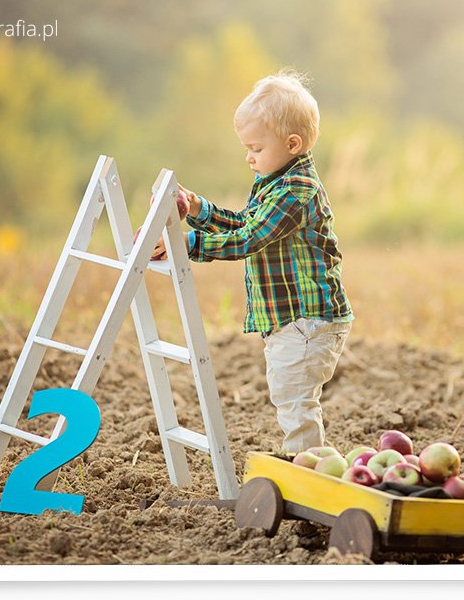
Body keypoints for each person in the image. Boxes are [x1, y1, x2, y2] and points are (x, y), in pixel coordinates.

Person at [151, 69, 354, 455]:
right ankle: (310, 465)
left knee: (295, 403)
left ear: (292, 144)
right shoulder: (275, 183)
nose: (249, 157)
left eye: (256, 149)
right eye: (247, 148)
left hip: (307, 321)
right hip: (293, 321)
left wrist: (190, 243)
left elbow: (250, 239)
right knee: (289, 398)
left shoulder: (298, 190)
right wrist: (199, 210)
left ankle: (307, 468)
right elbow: (247, 222)